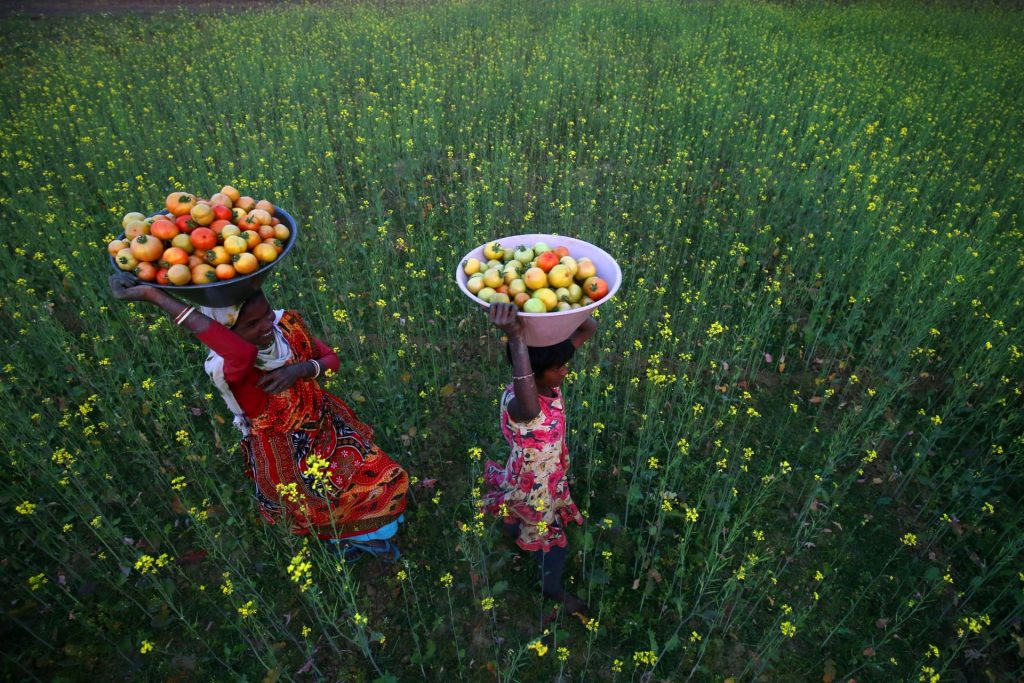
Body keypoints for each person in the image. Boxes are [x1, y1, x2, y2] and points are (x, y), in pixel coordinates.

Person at [108, 273, 408, 561]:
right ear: (225, 333)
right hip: (288, 455)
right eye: (251, 324)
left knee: (381, 479)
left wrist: (302, 369)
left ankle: (363, 536)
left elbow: (331, 359)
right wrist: (156, 297)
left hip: (327, 426)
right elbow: (242, 354)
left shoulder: (285, 329)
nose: (266, 325)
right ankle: (351, 542)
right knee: (327, 505)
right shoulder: (232, 368)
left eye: (265, 314)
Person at [483, 302, 598, 621]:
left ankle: (510, 528)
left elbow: (589, 327)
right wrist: (515, 335)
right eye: (559, 366)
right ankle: (552, 588)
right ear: (531, 372)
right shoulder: (524, 405)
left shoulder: (544, 381)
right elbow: (528, 390)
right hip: (536, 485)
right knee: (552, 542)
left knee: (514, 500)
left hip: (534, 471)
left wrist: (558, 310)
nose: (565, 370)